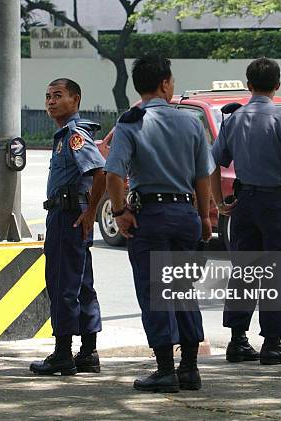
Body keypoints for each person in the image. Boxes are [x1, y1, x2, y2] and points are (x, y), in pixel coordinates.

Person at [105, 55, 214, 393]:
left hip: (149, 218)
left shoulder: (130, 122)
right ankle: (190, 369)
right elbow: (202, 177)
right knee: (183, 289)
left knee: (155, 293)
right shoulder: (191, 123)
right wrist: (205, 216)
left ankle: (165, 369)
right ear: (165, 83)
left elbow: (113, 173)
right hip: (184, 216)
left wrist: (120, 211)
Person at [210, 57, 281, 365]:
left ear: (248, 85)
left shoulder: (233, 119)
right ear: (277, 86)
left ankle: (238, 340)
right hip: (276, 203)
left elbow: (212, 163)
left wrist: (219, 202)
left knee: (244, 272)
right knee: (278, 273)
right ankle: (272, 343)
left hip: (244, 203)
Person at [29, 79, 105, 376]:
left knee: (63, 284)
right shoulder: (64, 135)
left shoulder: (74, 135)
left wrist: (90, 212)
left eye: (58, 96)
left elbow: (99, 172)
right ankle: (88, 352)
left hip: (68, 216)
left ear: (76, 99)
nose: (50, 101)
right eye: (48, 96)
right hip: (70, 214)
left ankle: (63, 353)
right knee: (82, 283)